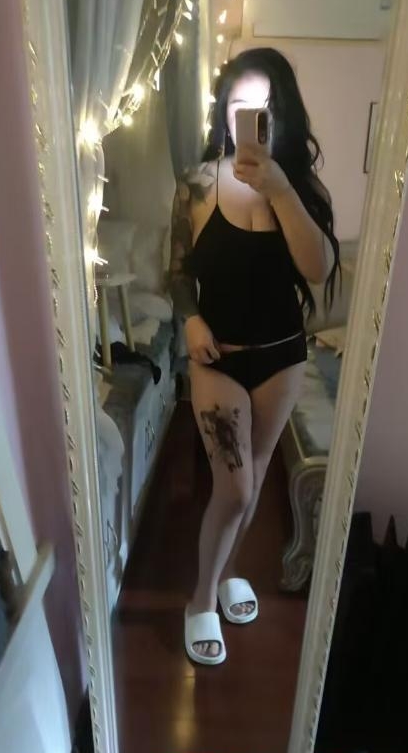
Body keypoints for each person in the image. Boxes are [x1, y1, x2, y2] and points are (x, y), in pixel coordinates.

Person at [168, 47, 340, 665]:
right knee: (236, 490)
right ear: (224, 111)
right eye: (240, 104)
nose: (251, 116)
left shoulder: (301, 187)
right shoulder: (197, 183)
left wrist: (280, 188)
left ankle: (230, 571)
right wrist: (190, 318)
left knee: (259, 476)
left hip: (282, 357)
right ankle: (199, 601)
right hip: (218, 358)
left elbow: (318, 269)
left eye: (264, 106)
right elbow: (177, 271)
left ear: (282, 113)